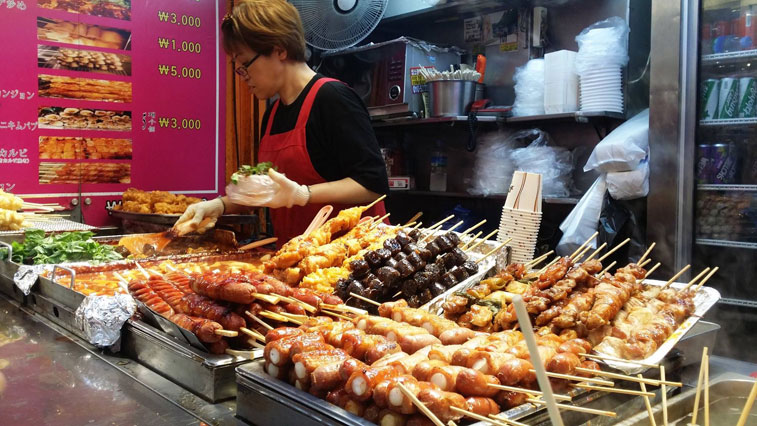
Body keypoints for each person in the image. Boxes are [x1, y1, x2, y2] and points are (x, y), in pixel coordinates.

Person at [175, 0, 388, 244]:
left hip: (351, 259)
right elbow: (270, 190)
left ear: (279, 50)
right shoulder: (273, 114)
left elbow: (372, 185)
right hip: (298, 258)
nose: (243, 77)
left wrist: (302, 194)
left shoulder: (333, 99)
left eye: (245, 65)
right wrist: (219, 205)